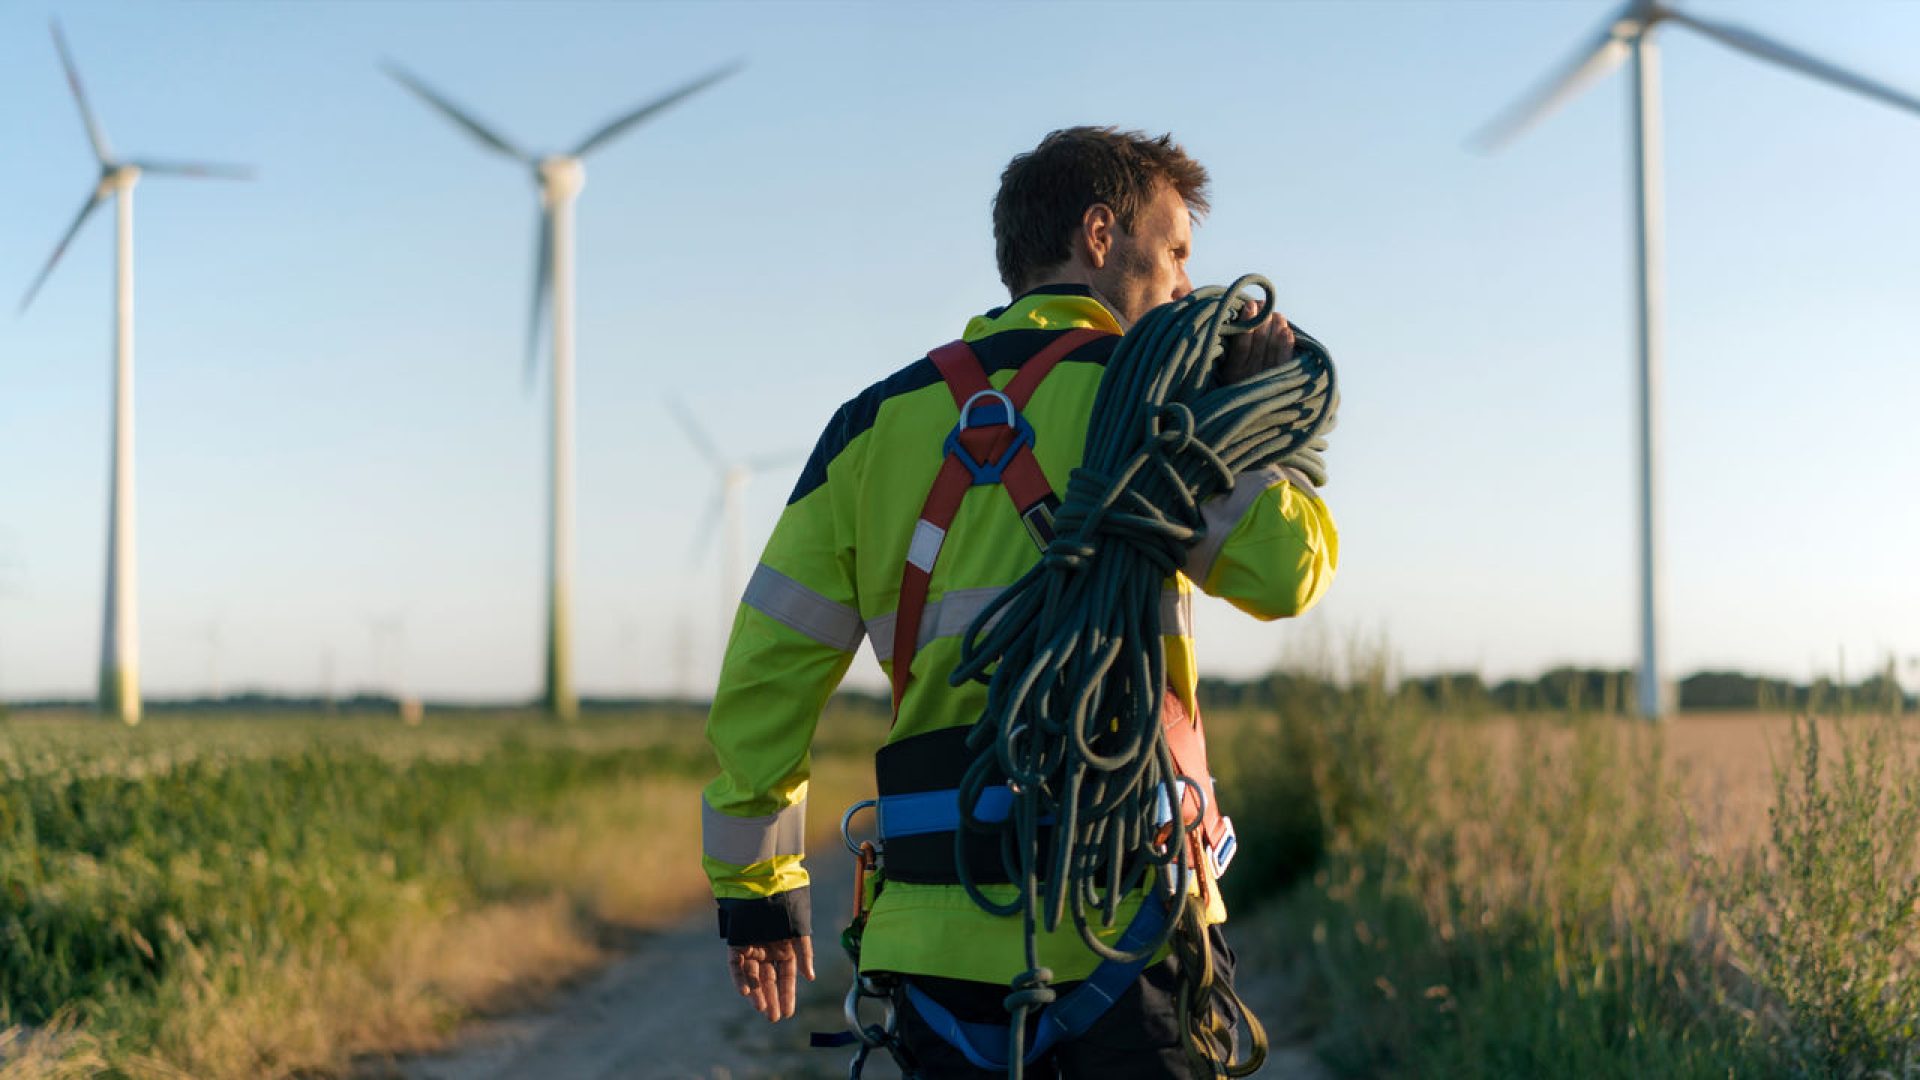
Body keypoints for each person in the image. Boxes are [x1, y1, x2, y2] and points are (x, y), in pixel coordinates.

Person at [701, 126, 1339, 1077]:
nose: (1181, 289)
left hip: (933, 955)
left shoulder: (871, 427)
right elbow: (1287, 572)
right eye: (1171, 254)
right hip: (1130, 932)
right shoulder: (1155, 409)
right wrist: (1247, 425)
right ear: (1098, 234)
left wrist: (757, 887)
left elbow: (769, 667)